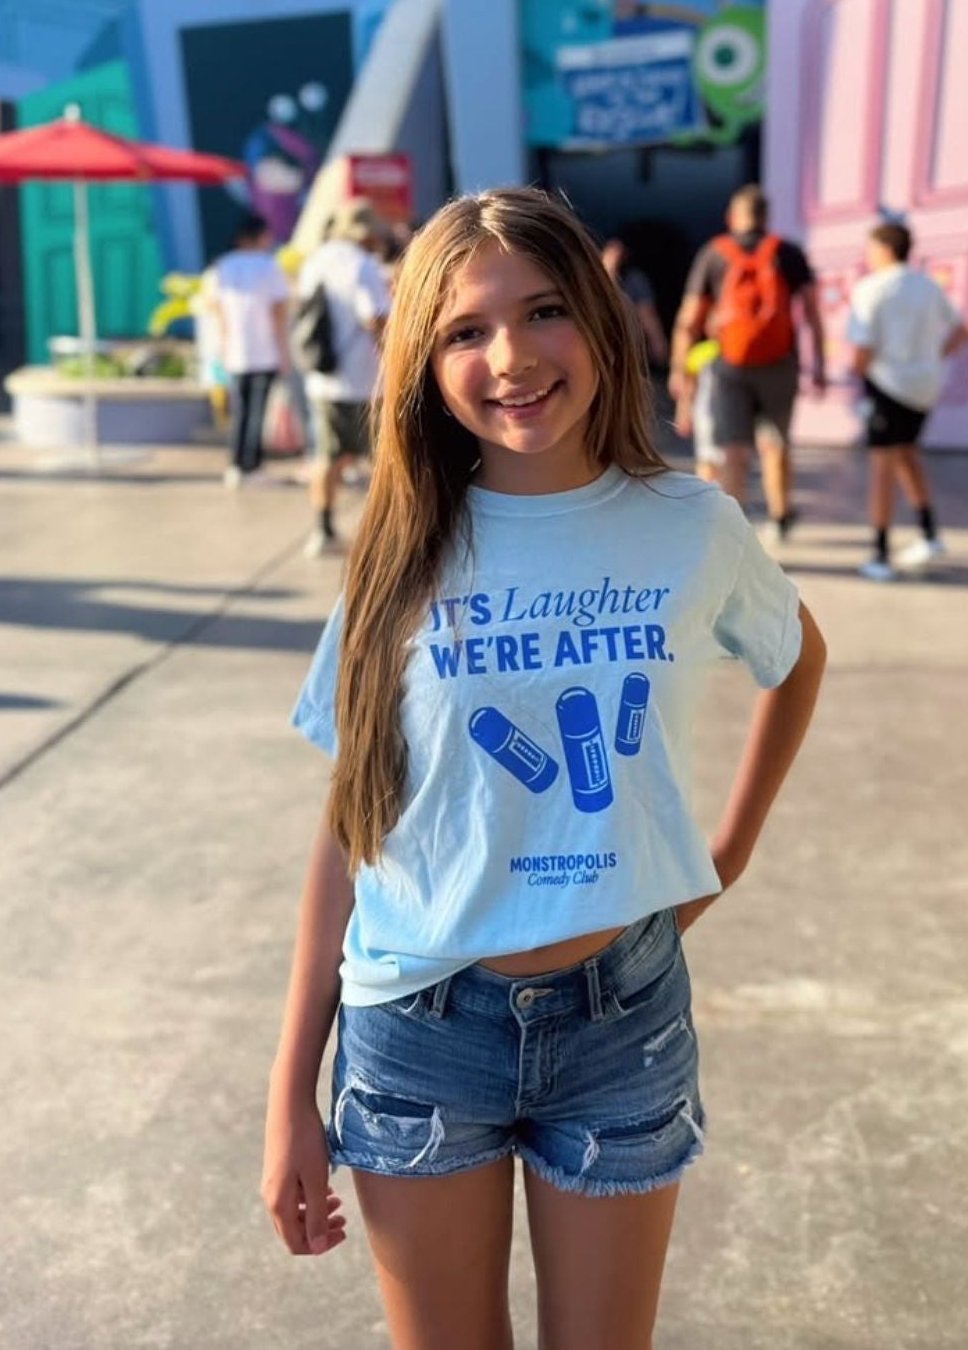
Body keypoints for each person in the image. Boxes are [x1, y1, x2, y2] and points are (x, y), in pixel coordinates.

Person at [262, 187, 826, 1350]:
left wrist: (725, 854)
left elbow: (796, 656)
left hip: (621, 1021)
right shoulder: (405, 548)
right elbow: (349, 828)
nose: (510, 357)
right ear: (424, 360)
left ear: (603, 325)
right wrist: (287, 1097)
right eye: (465, 331)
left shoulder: (690, 525)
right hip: (420, 1027)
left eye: (545, 312)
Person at [669, 185, 826, 545]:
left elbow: (689, 319)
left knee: (732, 452)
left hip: (729, 364)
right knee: (775, 445)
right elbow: (813, 313)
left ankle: (736, 529)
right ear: (766, 218)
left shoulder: (713, 254)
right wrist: (818, 364)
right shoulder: (788, 253)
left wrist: (680, 368)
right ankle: (780, 517)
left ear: (733, 217)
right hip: (779, 364)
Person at [844, 220, 968, 582]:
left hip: (888, 386)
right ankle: (930, 534)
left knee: (883, 466)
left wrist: (860, 375)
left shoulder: (871, 289)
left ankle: (880, 554)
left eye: (870, 248)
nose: (867, 256)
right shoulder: (927, 286)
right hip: (924, 387)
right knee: (908, 455)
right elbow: (961, 330)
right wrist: (933, 357)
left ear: (884, 249)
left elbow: (862, 347)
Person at [295, 200, 392, 556]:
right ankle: (385, 535)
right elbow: (376, 319)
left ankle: (322, 530)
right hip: (364, 381)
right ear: (365, 234)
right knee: (385, 461)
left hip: (322, 379)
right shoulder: (361, 264)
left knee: (327, 457)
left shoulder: (315, 261)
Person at [211, 213, 291, 486]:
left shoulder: (222, 266)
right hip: (265, 350)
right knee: (257, 411)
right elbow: (279, 311)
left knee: (240, 411)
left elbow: (216, 309)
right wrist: (283, 351)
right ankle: (253, 465)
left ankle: (235, 465)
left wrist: (223, 344)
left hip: (235, 351)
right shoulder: (268, 266)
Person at [601, 237, 668, 371]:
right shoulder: (587, 281)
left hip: (627, 348)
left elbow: (647, 314)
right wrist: (608, 272)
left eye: (619, 253)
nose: (616, 257)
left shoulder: (635, 280)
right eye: (612, 252)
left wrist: (657, 343)